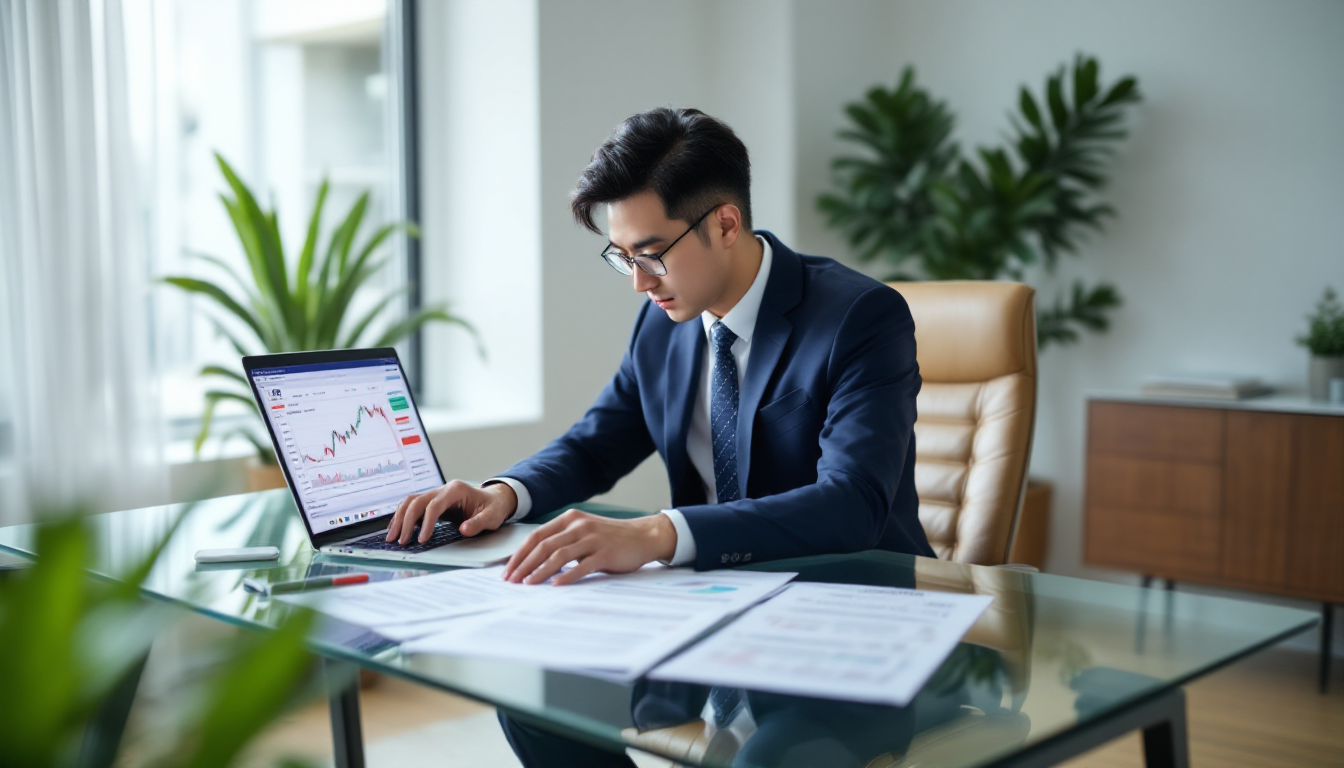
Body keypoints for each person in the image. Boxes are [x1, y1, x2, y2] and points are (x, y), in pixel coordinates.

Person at [386, 106, 935, 767]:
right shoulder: (664, 325)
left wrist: (655, 534)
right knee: (536, 702)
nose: (641, 284)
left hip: (848, 621)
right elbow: (598, 441)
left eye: (651, 255)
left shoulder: (858, 317)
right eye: (622, 259)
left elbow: (852, 503)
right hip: (707, 614)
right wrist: (505, 492)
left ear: (726, 223)